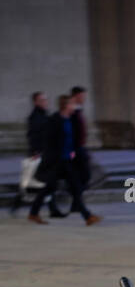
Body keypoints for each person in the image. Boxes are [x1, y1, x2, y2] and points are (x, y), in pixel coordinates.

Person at [28, 94, 101, 225]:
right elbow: (49, 141)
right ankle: (87, 216)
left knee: (65, 187)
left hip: (66, 160)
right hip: (56, 161)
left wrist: (73, 153)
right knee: (57, 188)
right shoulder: (55, 120)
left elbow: (71, 141)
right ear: (65, 106)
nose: (74, 106)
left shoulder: (69, 120)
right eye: (72, 104)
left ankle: (33, 213)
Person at [11, 93, 61, 215]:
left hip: (46, 154)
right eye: (42, 100)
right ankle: (17, 203)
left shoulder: (44, 115)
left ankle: (52, 208)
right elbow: (33, 137)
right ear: (36, 102)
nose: (45, 101)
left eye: (46, 99)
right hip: (39, 154)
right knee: (32, 182)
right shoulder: (35, 117)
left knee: (48, 181)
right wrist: (35, 152)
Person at [69, 85, 91, 188]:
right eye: (82, 96)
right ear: (75, 96)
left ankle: (77, 200)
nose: (84, 99)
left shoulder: (78, 110)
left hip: (80, 147)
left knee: (82, 174)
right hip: (75, 148)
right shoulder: (72, 112)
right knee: (83, 174)